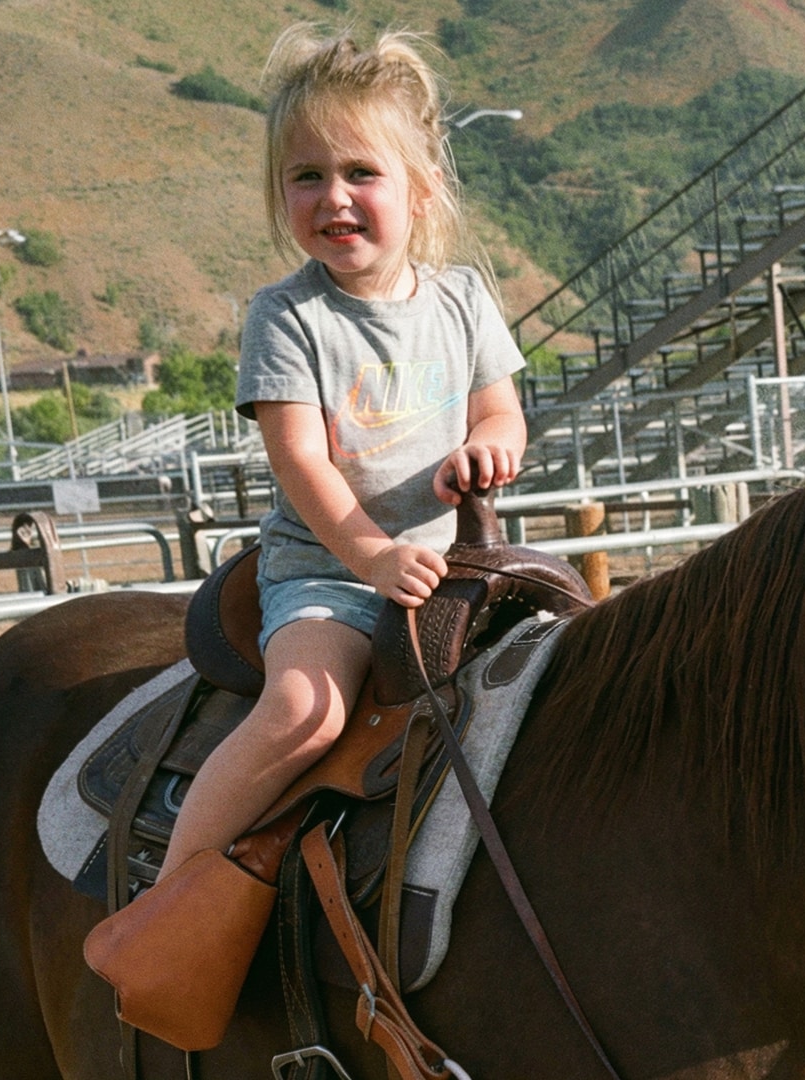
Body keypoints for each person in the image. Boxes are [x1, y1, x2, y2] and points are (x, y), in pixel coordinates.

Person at [158, 25, 527, 882]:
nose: (335, 197)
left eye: (362, 172)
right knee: (307, 712)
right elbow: (301, 463)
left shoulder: (463, 299)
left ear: (422, 189)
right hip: (330, 575)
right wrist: (374, 558)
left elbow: (502, 411)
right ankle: (171, 896)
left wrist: (488, 448)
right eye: (307, 176)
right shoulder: (288, 317)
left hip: (459, 566)